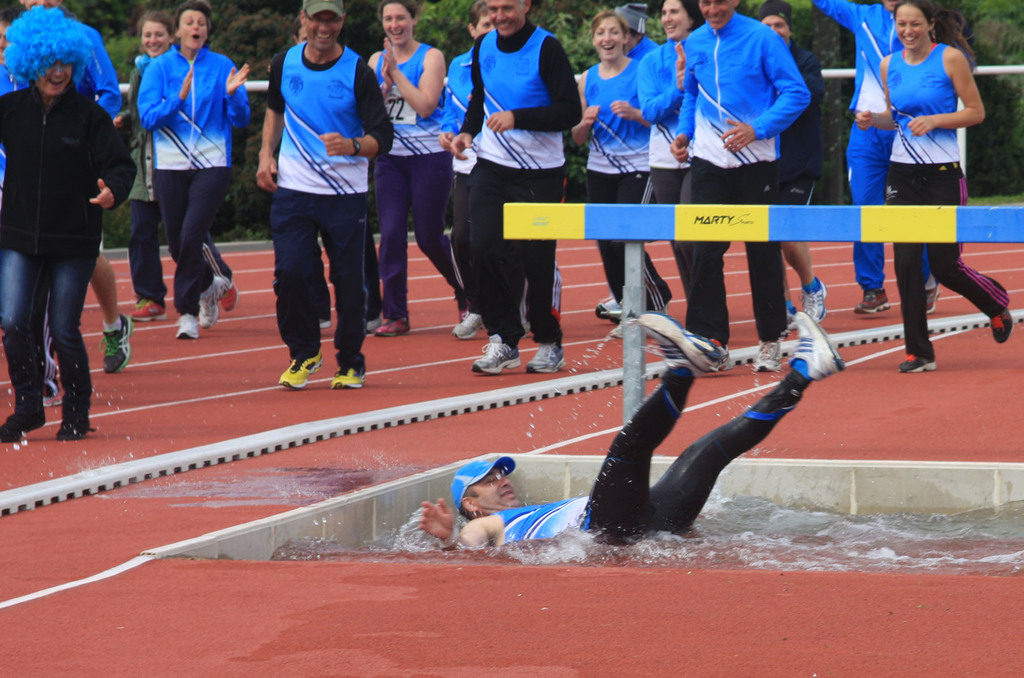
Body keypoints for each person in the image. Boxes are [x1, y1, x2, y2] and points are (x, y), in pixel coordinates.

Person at [419, 310, 844, 547]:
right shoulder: (493, 525)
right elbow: (471, 543)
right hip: (607, 529)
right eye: (489, 481)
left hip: (649, 522)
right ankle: (681, 372)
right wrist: (450, 540)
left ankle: (804, 372)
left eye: (500, 474)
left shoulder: (533, 517)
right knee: (627, 448)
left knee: (708, 451)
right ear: (471, 505)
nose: (502, 480)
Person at [0, 7, 135, 442]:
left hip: (75, 238)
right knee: (13, 322)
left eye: (65, 64)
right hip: (19, 235)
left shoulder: (89, 116)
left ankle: (76, 410)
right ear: (31, 62)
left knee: (63, 329)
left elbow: (121, 166)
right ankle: (28, 407)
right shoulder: (9, 109)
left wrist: (113, 191)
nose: (58, 73)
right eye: (49, 64)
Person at [855, 0, 1012, 372]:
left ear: (929, 24)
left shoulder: (950, 59)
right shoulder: (888, 64)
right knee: (906, 263)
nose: (907, 31)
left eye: (914, 24)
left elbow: (976, 112)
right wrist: (872, 119)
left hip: (942, 174)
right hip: (902, 175)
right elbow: (896, 118)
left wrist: (936, 120)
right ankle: (919, 352)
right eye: (901, 24)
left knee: (945, 266)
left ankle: (995, 304)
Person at [258, 0, 394, 390]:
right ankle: (304, 352)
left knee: (349, 283)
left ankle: (350, 361)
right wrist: (266, 154)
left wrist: (352, 145)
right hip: (294, 190)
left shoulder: (357, 71)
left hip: (344, 195)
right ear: (303, 19)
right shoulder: (284, 62)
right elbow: (275, 110)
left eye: (331, 19)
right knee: (291, 272)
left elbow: (383, 136)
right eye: (317, 18)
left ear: (342, 21)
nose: (323, 27)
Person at [670, 0, 810, 373]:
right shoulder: (696, 41)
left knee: (762, 251)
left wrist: (757, 129)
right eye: (705, 2)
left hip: (756, 162)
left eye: (719, 1)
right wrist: (684, 132)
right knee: (704, 250)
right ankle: (710, 340)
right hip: (708, 161)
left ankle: (771, 339)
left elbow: (797, 93)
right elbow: (693, 94)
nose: (712, 8)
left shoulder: (762, 38)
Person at [449, 0, 581, 375]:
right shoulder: (483, 45)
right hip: (492, 166)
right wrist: (466, 132)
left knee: (535, 260)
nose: (499, 16)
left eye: (507, 7)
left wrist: (517, 118)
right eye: (493, 9)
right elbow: (478, 98)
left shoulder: (546, 47)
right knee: (482, 246)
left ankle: (549, 341)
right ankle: (504, 338)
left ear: (526, 5)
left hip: (540, 173)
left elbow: (569, 111)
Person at [813, 0, 938, 315]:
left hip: (909, 128)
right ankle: (872, 288)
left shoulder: (918, 22)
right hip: (867, 130)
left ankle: (925, 280)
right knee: (865, 208)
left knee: (913, 209)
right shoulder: (862, 16)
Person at [115, 11, 238, 328]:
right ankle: (180, 292)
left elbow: (239, 117)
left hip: (199, 162)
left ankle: (194, 304)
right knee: (152, 235)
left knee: (191, 233)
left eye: (159, 34)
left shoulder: (217, 66)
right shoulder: (147, 70)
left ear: (172, 36)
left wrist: (231, 96)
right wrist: (128, 118)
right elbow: (144, 117)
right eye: (147, 35)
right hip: (152, 164)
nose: (152, 40)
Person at [572, 10, 672, 337]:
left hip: (638, 166)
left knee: (624, 238)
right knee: (605, 242)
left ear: (626, 38)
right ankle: (628, 310)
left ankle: (655, 303)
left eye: (614, 32)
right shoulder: (587, 79)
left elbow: (658, 117)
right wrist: (584, 124)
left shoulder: (642, 70)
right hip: (599, 169)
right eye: (601, 33)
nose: (608, 39)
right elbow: (577, 137)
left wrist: (635, 113)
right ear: (593, 40)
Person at [368, 0, 465, 337]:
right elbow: (369, 111)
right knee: (391, 235)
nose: (394, 25)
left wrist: (395, 74)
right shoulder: (375, 60)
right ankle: (395, 313)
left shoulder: (431, 57)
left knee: (428, 237)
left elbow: (425, 105)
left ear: (413, 20)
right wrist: (383, 86)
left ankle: (467, 289)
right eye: (388, 19)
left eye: (401, 18)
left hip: (429, 157)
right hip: (390, 159)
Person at [758, 0, 828, 325]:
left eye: (779, 25)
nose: (774, 31)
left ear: (789, 29)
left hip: (800, 164)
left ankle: (811, 287)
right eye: (767, 26)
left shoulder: (805, 61)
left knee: (786, 234)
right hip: (762, 162)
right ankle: (784, 305)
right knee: (767, 239)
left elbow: (810, 96)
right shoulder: (752, 60)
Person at [442, 0, 508, 341]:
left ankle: (513, 307)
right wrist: (447, 131)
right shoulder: (457, 65)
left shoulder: (506, 62)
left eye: (494, 25)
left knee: (502, 240)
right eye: (484, 25)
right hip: (467, 163)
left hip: (501, 163)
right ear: (472, 30)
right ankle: (476, 306)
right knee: (461, 237)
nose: (491, 31)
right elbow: (448, 107)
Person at [636, 0, 704, 303]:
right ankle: (696, 308)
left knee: (692, 238)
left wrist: (690, 86)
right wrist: (677, 90)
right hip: (663, 160)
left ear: (691, 18)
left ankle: (706, 305)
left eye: (674, 11)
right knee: (677, 240)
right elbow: (649, 111)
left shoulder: (705, 52)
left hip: (702, 155)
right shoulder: (651, 61)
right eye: (663, 13)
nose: (667, 18)